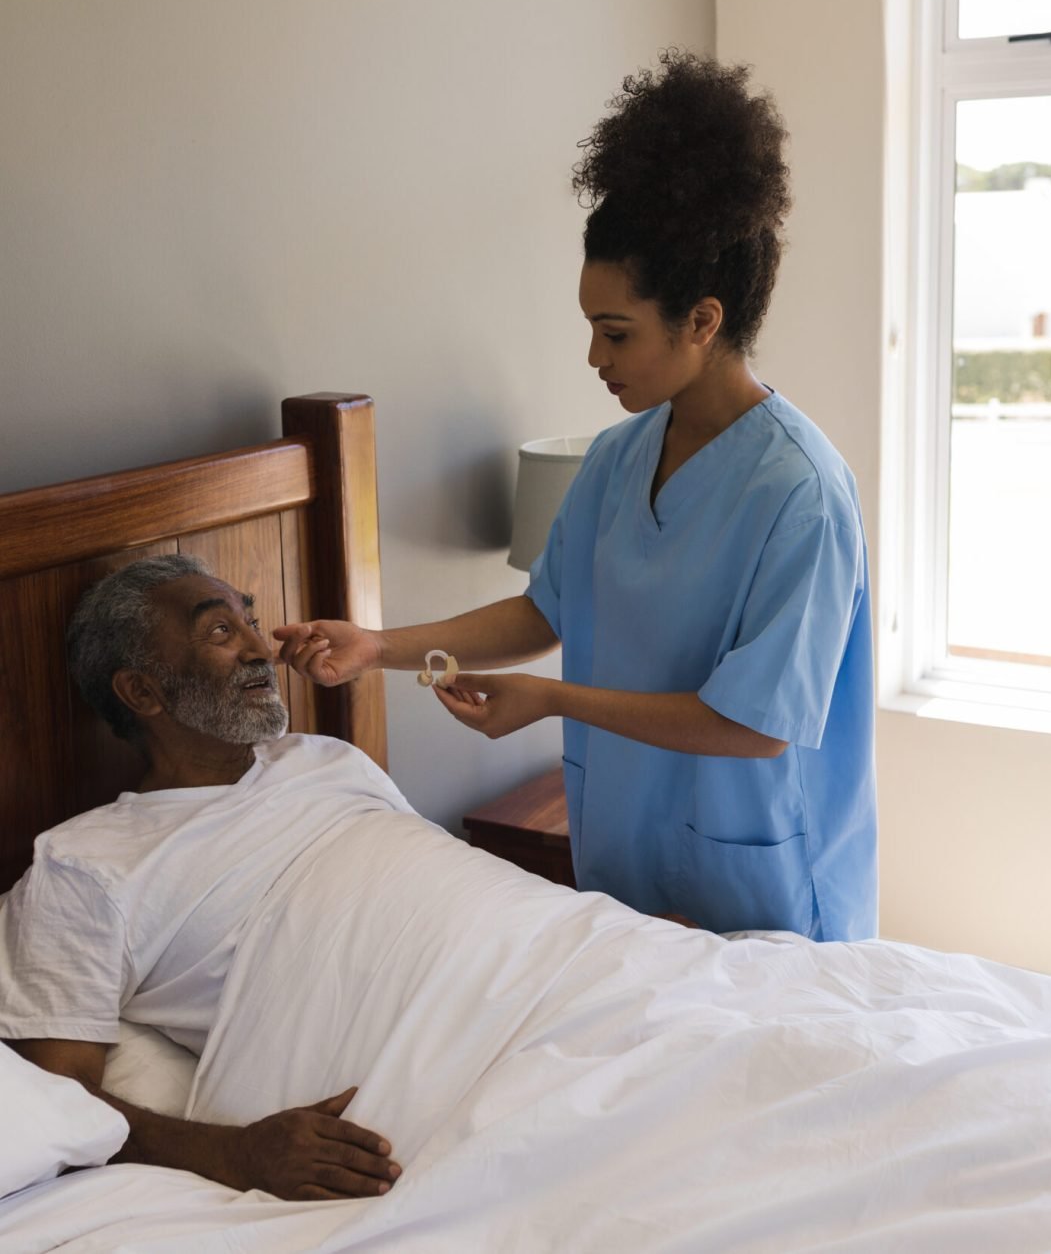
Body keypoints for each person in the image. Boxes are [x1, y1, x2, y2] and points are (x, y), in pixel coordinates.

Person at [276, 50, 877, 943]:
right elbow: (544, 614)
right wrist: (376, 648)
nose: (594, 359)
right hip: (627, 866)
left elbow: (756, 729)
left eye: (616, 332)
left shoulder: (802, 493)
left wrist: (553, 702)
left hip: (765, 889)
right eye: (591, 328)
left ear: (703, 321)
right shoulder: (618, 458)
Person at [0, 556, 404, 1202]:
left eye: (250, 620)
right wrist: (234, 1153)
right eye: (220, 632)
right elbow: (59, 1102)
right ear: (142, 693)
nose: (258, 650)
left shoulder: (330, 760)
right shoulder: (87, 869)